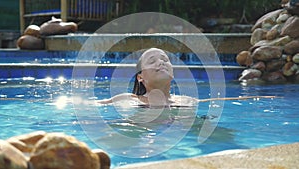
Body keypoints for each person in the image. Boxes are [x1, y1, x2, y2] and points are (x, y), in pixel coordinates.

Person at [97, 48, 275, 107]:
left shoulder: (187, 101)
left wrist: (258, 98)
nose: (161, 62)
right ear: (140, 78)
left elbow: (216, 100)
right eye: (153, 61)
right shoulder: (126, 99)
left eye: (165, 60)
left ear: (172, 74)